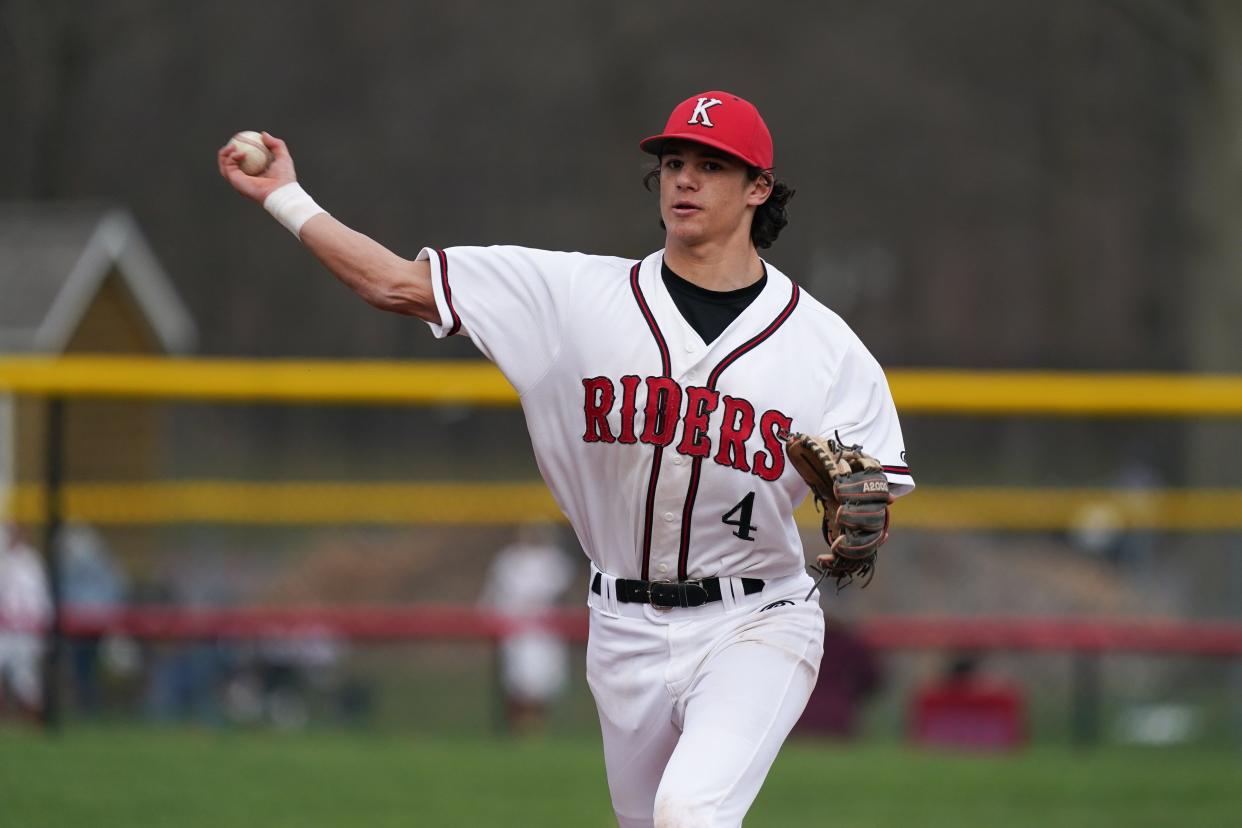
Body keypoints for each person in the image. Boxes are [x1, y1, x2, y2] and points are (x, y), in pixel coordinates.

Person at [219, 90, 914, 827]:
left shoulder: (826, 346)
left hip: (759, 621)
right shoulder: (570, 296)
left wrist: (861, 520)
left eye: (711, 165)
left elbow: (872, 501)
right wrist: (285, 197)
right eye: (673, 162)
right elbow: (393, 282)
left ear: (758, 189)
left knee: (691, 812)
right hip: (622, 626)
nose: (683, 179)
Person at [479, 524, 576, 736]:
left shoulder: (554, 560)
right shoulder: (508, 560)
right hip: (517, 631)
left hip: (546, 632)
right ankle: (519, 726)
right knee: (518, 680)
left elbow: (562, 594)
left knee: (545, 679)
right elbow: (494, 596)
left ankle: (538, 725)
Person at [0, 524, 51, 722]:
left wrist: (43, 628)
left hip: (26, 629)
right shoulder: (6, 561)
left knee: (26, 679)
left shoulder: (31, 562)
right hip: (6, 629)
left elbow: (40, 599)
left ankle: (34, 722)